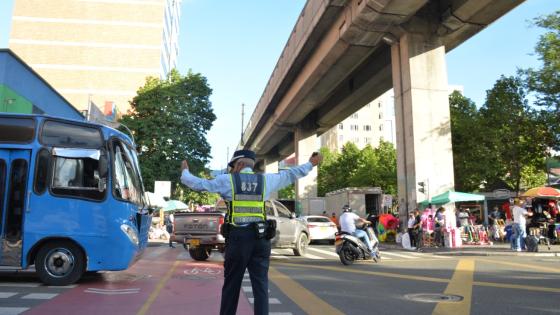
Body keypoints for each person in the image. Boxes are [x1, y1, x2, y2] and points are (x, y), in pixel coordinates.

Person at [180, 149, 322, 315]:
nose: (231, 170)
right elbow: (291, 174)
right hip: (261, 239)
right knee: (261, 286)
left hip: (239, 239)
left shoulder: (228, 180)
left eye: (232, 167)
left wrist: (185, 171)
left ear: (239, 164)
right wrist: (310, 164)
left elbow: (198, 183)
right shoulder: (265, 180)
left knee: (232, 285)